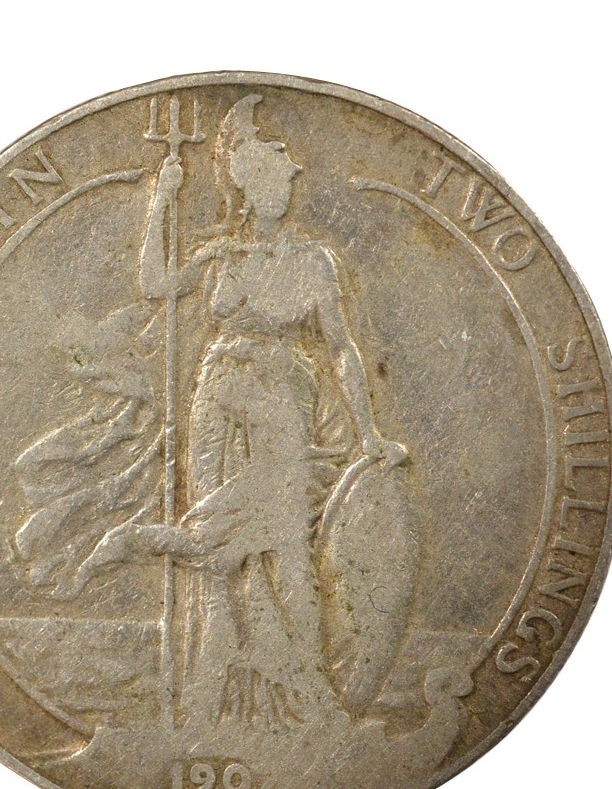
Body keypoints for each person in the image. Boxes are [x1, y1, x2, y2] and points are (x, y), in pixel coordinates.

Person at [81, 94, 406, 731]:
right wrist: (163, 200)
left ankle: (304, 693)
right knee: (220, 544)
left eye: (288, 174)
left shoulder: (312, 262)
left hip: (282, 394)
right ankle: (213, 698)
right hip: (217, 392)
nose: (291, 179)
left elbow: (342, 349)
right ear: (251, 185)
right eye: (277, 171)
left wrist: (369, 433)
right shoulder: (219, 256)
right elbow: (155, 285)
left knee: (285, 540)